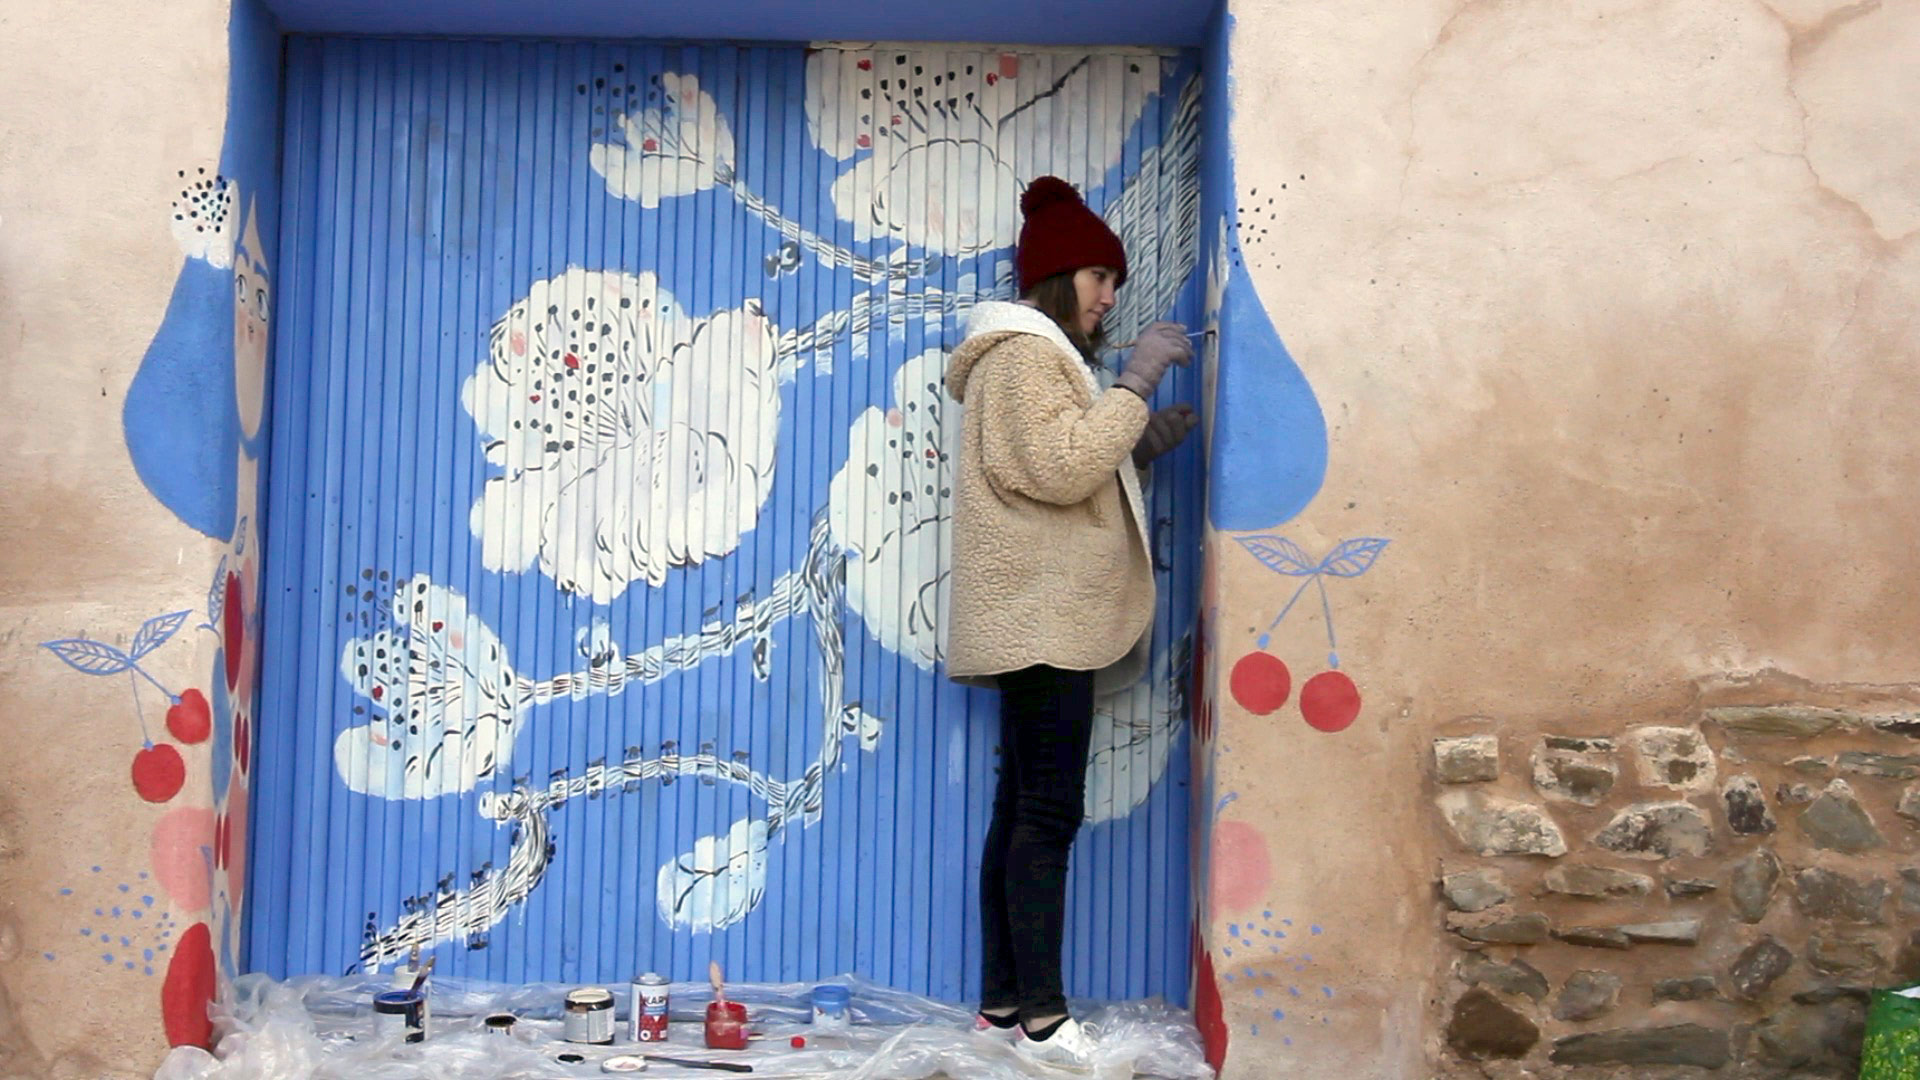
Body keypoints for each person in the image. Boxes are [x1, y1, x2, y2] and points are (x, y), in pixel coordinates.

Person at [942, 175, 1199, 1068]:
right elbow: (1057, 467)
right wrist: (1136, 381)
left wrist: (1142, 438)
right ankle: (1045, 1022)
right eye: (1101, 277)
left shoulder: (1036, 360)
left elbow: (1063, 464)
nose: (1111, 296)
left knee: (1022, 809)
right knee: (1045, 816)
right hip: (1042, 621)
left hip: (1037, 619)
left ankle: (1005, 1006)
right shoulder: (1022, 355)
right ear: (1060, 277)